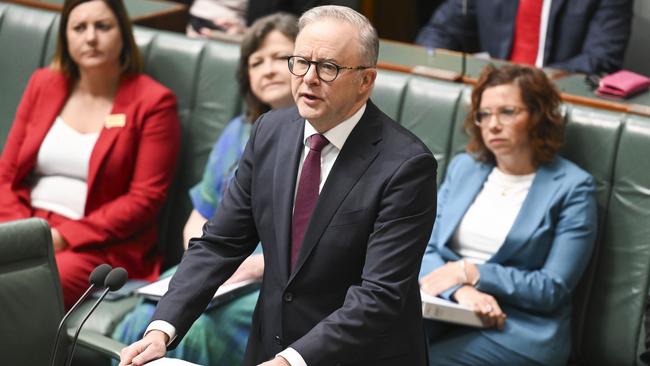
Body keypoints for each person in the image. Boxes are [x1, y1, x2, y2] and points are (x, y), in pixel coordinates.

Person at [119, 5, 437, 366]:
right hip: (269, 347)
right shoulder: (270, 131)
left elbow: (379, 296)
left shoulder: (406, 166)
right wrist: (162, 328)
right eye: (300, 61)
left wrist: (291, 361)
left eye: (328, 67)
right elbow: (221, 243)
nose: (309, 78)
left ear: (365, 81)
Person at [112, 12, 298, 366]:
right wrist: (207, 262)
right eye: (256, 62)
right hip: (225, 268)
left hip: (279, 281)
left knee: (200, 329)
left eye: (279, 57)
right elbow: (202, 214)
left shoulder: (322, 140)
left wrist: (257, 265)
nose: (268, 69)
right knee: (144, 321)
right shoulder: (238, 132)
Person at [0, 0, 180, 309]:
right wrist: (23, 234)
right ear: (65, 37)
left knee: (18, 287)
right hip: (25, 222)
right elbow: (7, 173)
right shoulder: (44, 83)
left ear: (123, 34)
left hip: (95, 245)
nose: (91, 37)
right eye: (79, 27)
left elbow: (144, 200)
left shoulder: (153, 102)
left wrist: (60, 236)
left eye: (103, 26)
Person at [419, 64, 597, 366]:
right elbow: (425, 246)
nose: (493, 125)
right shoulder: (465, 167)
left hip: (522, 328)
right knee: (371, 342)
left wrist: (473, 273)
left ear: (538, 116)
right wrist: (459, 290)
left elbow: (552, 288)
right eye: (484, 114)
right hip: (449, 304)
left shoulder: (573, 187)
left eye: (507, 112)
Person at [415, 0, 633, 75]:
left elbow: (601, 60)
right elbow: (439, 31)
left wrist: (526, 82)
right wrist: (432, 64)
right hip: (488, 97)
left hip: (552, 104)